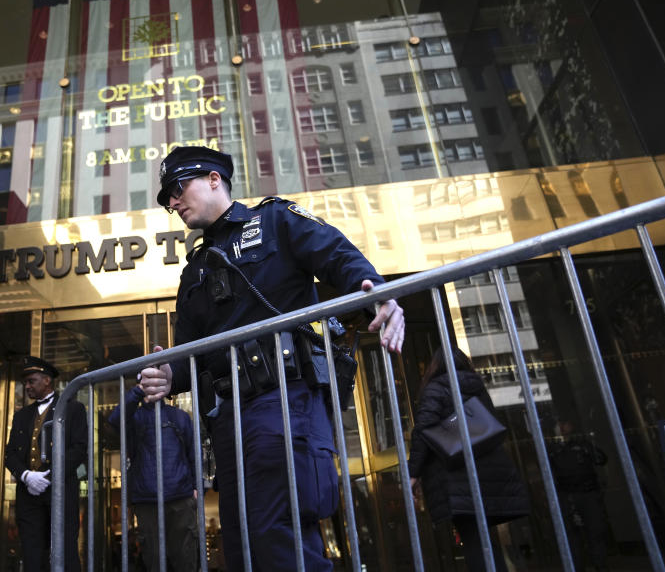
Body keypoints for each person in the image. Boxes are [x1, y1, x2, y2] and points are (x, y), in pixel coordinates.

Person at [137, 146, 405, 571]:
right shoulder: (194, 271)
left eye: (177, 188)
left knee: (280, 540)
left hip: (284, 400)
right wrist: (167, 375)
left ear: (213, 179)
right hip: (228, 419)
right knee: (244, 546)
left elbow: (336, 254)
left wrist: (375, 291)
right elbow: (189, 352)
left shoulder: (276, 219)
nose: (172, 202)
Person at [408, 347, 530, 572]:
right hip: (487, 472)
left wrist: (412, 474)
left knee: (474, 540)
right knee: (483, 538)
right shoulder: (477, 386)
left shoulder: (436, 389)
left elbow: (423, 432)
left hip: (457, 476)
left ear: (434, 366)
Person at [5, 356, 87, 572]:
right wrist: (26, 476)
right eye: (26, 382)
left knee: (65, 552)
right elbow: (10, 453)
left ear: (47, 380)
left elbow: (78, 450)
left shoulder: (73, 408)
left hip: (60, 492)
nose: (27, 386)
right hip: (28, 495)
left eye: (32, 381)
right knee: (32, 554)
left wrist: (49, 477)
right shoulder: (21, 416)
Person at [108, 385, 199, 571]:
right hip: (147, 499)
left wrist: (197, 488)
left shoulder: (179, 416)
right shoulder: (134, 417)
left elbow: (193, 454)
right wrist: (139, 390)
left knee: (185, 558)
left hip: (180, 498)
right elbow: (115, 419)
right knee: (154, 560)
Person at [547, 419, 610, 571]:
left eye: (565, 424)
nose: (563, 427)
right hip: (567, 495)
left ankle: (600, 566)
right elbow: (548, 473)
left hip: (587, 493)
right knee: (572, 538)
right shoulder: (552, 449)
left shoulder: (583, 445)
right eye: (560, 425)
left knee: (595, 533)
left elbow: (601, 459)